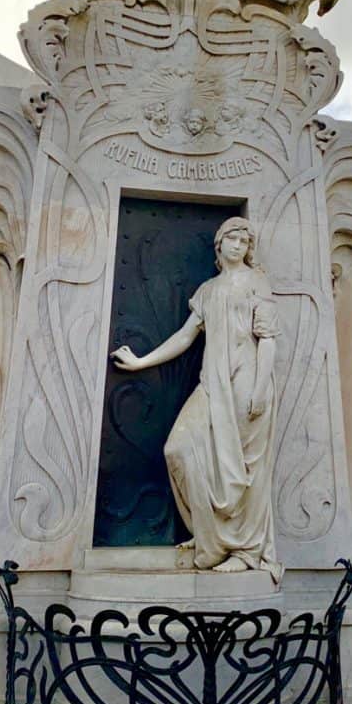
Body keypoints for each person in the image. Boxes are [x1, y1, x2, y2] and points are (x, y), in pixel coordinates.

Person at [111, 216, 282, 579]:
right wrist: (141, 362)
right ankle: (210, 533)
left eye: (244, 241)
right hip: (213, 382)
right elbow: (186, 337)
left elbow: (267, 337)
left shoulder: (257, 282)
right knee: (179, 448)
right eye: (231, 239)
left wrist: (261, 387)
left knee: (243, 471)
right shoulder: (207, 290)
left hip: (246, 380)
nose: (238, 245)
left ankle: (245, 550)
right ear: (218, 245)